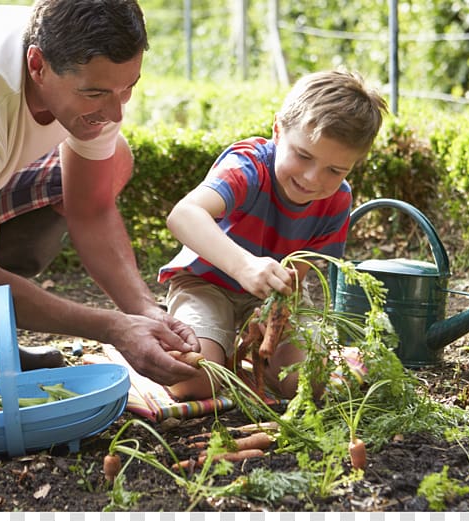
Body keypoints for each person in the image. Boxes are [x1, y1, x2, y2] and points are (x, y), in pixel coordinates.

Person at [0, 0, 200, 411]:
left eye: (128, 87)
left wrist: (144, 311)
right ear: (37, 65)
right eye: (95, 93)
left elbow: (92, 209)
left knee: (114, 158)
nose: (116, 110)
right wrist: (114, 328)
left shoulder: (94, 75)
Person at [158, 70, 388, 401]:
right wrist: (243, 267)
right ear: (278, 130)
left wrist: (271, 312)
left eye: (335, 170)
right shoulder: (247, 166)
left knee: (305, 385)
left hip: (274, 296)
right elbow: (183, 215)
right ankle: (209, 347)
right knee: (192, 381)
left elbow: (298, 274)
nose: (312, 178)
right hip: (206, 283)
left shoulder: (338, 200)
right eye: (303, 155)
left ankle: (246, 357)